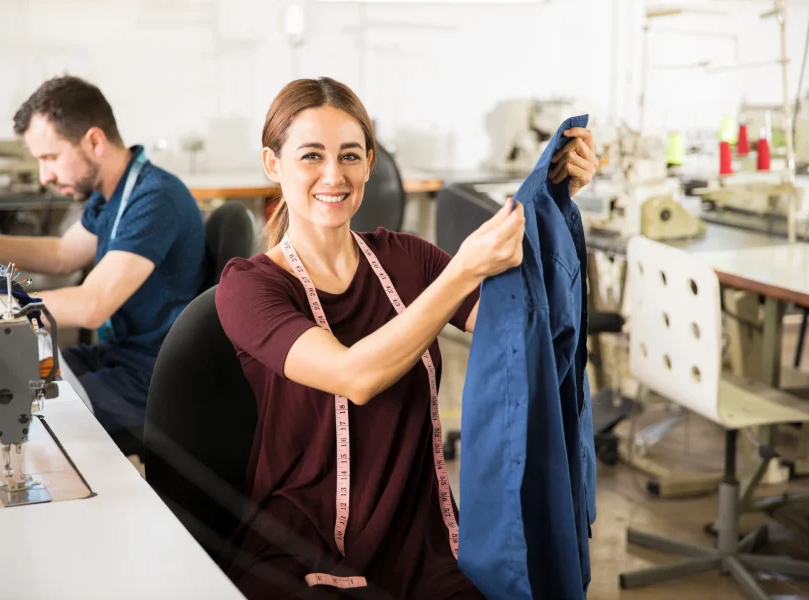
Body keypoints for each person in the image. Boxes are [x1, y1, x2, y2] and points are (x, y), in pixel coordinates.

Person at [216, 77, 597, 599]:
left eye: (350, 156)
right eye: (311, 156)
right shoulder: (249, 286)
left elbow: (521, 328)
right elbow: (355, 376)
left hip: (422, 540)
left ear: (369, 164)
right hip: (299, 544)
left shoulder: (408, 259)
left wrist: (552, 205)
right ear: (272, 164)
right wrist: (461, 272)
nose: (334, 175)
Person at [0, 75, 206, 441]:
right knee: (5, 380)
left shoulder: (155, 197)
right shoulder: (113, 194)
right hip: (119, 355)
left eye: (50, 157)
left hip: (155, 376)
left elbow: (90, 306)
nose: (44, 176)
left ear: (94, 141)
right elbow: (61, 255)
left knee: (25, 420)